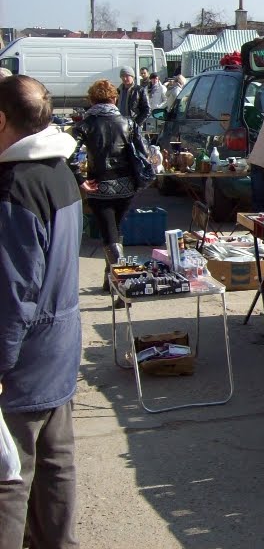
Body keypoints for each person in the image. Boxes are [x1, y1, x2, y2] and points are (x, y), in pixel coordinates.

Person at [0, 75, 82, 549]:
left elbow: (13, 292)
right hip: (58, 346)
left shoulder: (16, 185)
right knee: (56, 465)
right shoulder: (58, 168)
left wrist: (0, 362)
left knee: (9, 479)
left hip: (25, 358)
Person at [70, 79, 140, 289]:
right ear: (114, 98)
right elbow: (141, 155)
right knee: (114, 231)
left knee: (109, 234)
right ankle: (110, 280)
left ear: (92, 100)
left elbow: (70, 156)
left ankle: (120, 283)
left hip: (98, 185)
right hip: (126, 184)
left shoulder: (84, 125)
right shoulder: (128, 122)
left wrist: (80, 181)